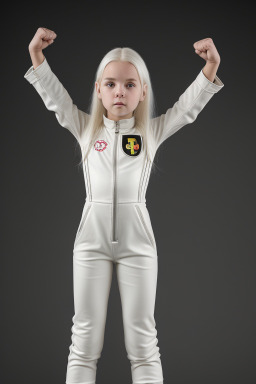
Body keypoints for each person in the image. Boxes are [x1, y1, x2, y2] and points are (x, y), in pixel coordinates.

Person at [24, 27, 224, 384]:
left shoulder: (149, 133)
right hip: (90, 245)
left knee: (144, 345)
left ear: (143, 92)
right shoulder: (85, 129)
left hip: (139, 247)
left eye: (130, 84)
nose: (120, 91)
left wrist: (210, 68)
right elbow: (55, 99)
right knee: (83, 344)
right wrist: (38, 57)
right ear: (99, 91)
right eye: (111, 83)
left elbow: (187, 109)